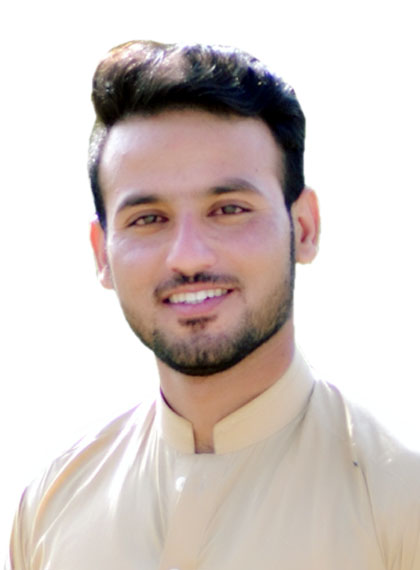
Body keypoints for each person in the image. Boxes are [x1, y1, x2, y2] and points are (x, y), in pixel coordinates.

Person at [6, 40, 420, 570]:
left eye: (228, 209)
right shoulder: (51, 508)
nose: (187, 257)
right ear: (101, 254)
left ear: (304, 228)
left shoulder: (399, 500)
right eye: (148, 219)